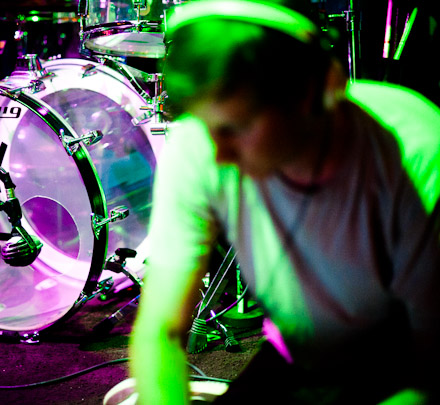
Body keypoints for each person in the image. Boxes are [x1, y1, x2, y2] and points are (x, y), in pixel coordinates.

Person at [128, 0, 440, 404]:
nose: (218, 155)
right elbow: (160, 332)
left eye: (239, 127)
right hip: (299, 354)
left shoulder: (416, 148)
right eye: (205, 126)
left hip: (401, 365)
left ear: (321, 88)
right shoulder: (199, 141)